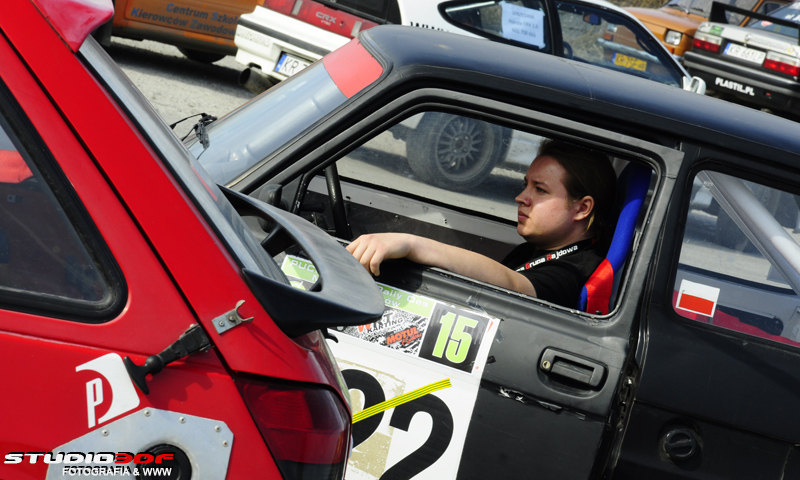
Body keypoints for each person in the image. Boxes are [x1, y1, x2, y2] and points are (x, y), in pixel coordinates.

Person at [346, 139, 617, 309]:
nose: (521, 198)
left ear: (582, 208)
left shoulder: (573, 271)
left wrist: (412, 244)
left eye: (540, 190)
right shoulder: (536, 249)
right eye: (526, 185)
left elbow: (514, 286)